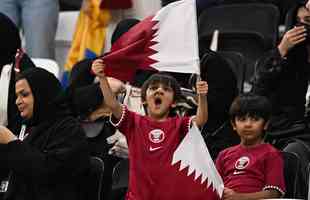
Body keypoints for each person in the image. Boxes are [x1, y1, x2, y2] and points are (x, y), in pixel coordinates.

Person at [91, 58, 218, 199]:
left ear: (174, 102)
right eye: (153, 88)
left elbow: (201, 119)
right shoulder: (133, 121)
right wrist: (102, 78)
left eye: (166, 89)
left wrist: (202, 96)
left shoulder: (180, 124)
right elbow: (112, 104)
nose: (159, 90)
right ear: (144, 99)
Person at [0, 67, 89, 200]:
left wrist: (12, 143)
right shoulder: (32, 129)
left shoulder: (69, 129)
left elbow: (49, 172)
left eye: (24, 95)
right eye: (17, 96)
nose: (17, 101)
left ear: (42, 94)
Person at [216, 93, 286, 200]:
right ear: (234, 124)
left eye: (255, 119)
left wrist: (239, 197)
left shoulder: (271, 154)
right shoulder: (223, 155)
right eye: (242, 119)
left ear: (266, 124)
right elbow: (213, 187)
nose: (248, 124)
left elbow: (274, 193)